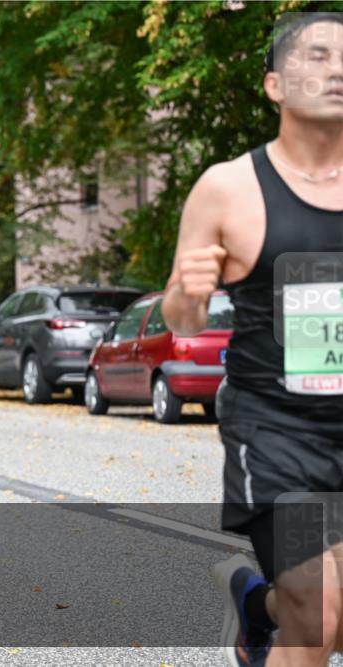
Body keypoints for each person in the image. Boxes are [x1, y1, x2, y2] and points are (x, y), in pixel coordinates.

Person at [161, 13, 343, 667]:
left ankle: (252, 601)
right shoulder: (228, 188)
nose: (337, 69)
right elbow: (181, 320)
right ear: (274, 85)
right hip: (278, 435)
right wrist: (190, 288)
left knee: (330, 614)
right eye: (318, 56)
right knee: (317, 615)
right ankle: (274, 605)